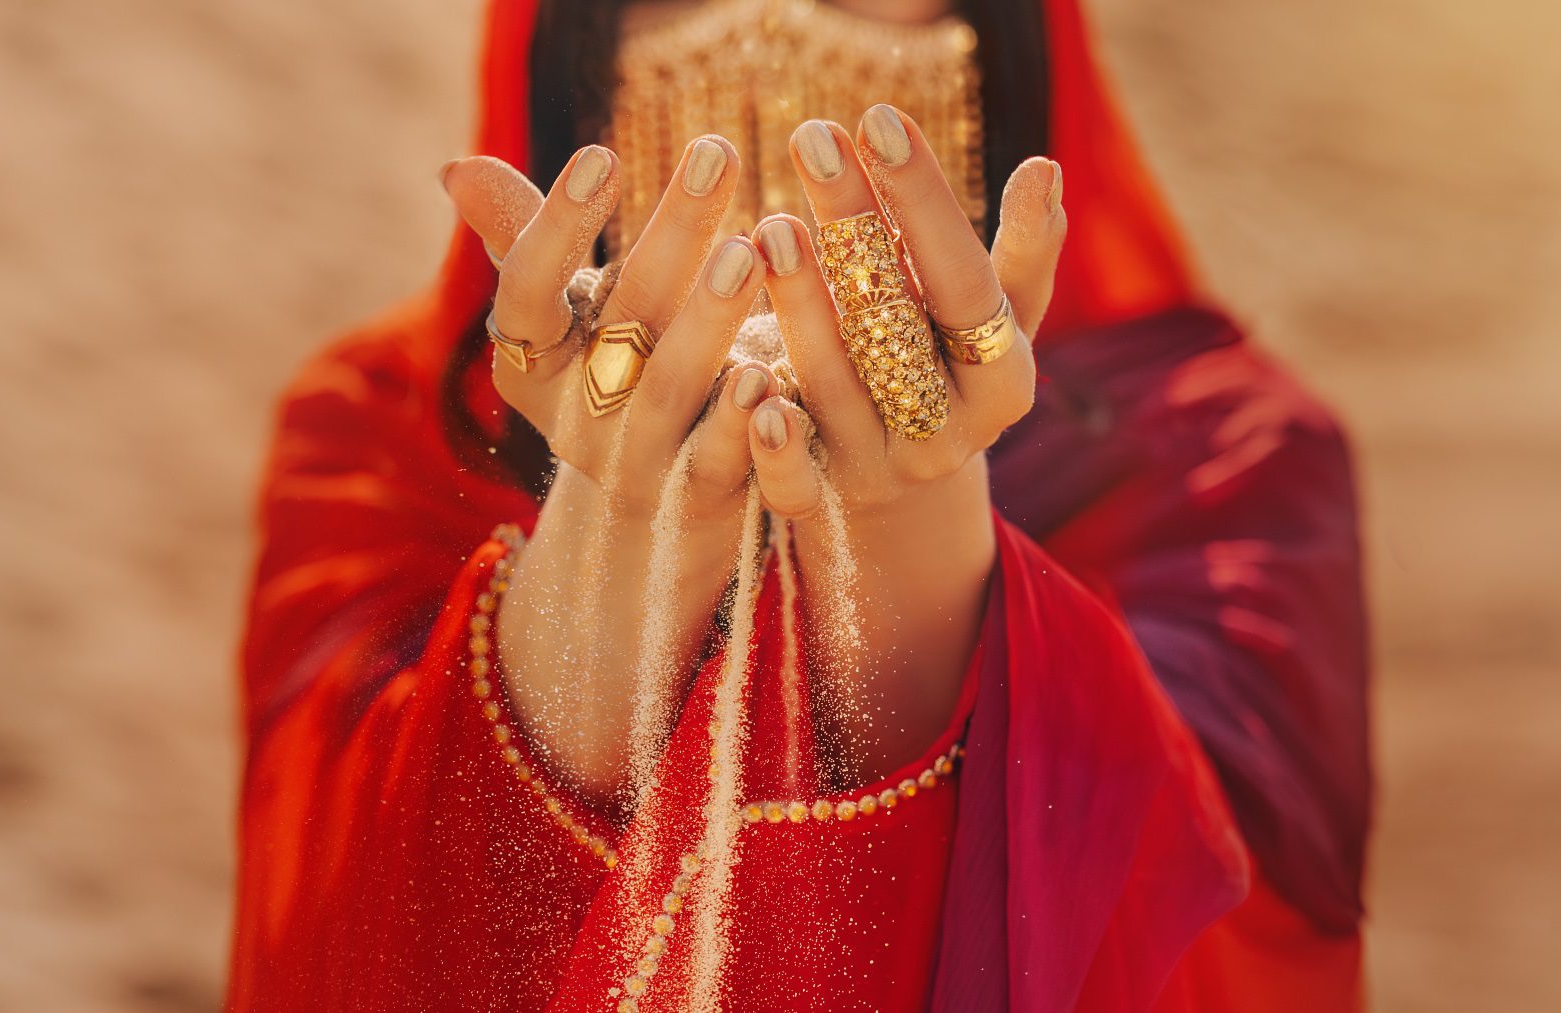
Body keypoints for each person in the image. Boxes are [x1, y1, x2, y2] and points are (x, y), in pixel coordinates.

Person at [227, 0, 1371, 1009]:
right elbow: (344, 908)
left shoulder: (1224, 456)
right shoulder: (379, 438)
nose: (770, 20)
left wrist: (912, 533)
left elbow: (1201, 915)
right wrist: (619, 522)